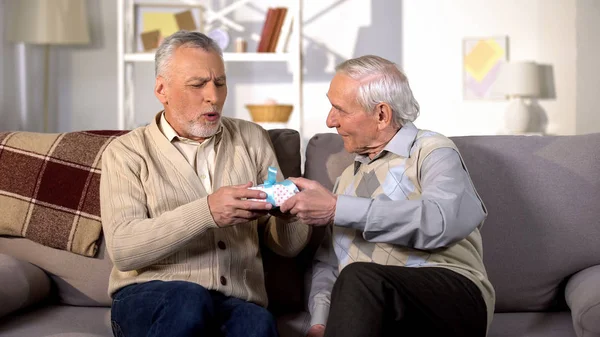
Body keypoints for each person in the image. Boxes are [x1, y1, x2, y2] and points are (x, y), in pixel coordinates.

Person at [100, 30, 310, 337]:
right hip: (147, 297)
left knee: (257, 323)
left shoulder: (251, 138)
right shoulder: (127, 152)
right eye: (198, 84)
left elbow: (288, 246)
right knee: (188, 300)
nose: (213, 95)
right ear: (162, 89)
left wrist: (288, 213)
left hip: (235, 300)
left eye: (220, 83)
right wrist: (207, 212)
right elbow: (123, 250)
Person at [280, 55, 495, 337]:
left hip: (454, 296)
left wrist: (337, 209)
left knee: (359, 276)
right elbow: (328, 264)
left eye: (339, 109)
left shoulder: (431, 151)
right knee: (356, 279)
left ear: (382, 115)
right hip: (373, 310)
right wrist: (320, 320)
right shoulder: (346, 179)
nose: (330, 120)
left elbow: (444, 220)